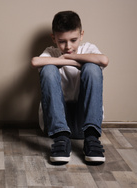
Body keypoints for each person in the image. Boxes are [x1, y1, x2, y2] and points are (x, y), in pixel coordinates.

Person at [31, 11, 109, 164]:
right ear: (53, 38)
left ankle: (92, 138)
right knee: (48, 69)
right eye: (62, 41)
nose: (68, 46)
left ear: (81, 35)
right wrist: (74, 61)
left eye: (73, 40)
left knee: (93, 68)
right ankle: (61, 139)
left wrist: (68, 57)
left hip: (84, 124)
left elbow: (104, 60)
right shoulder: (51, 52)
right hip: (54, 124)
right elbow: (35, 62)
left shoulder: (88, 48)